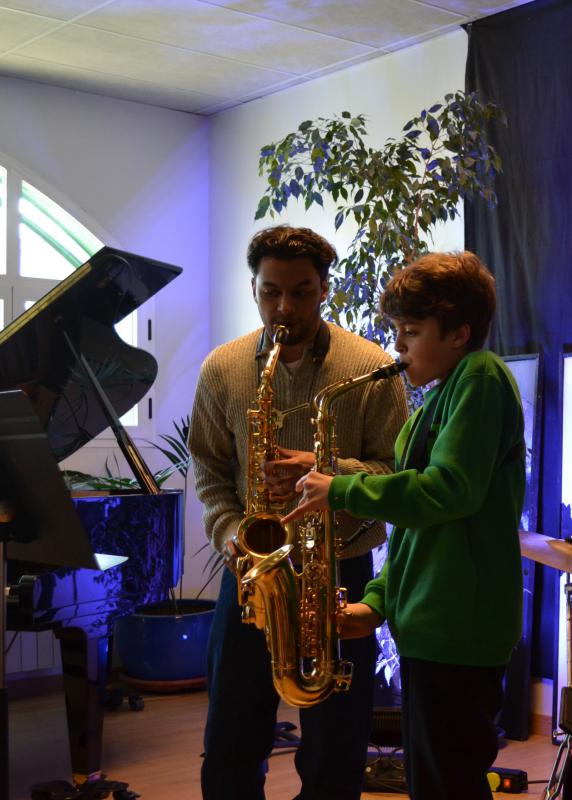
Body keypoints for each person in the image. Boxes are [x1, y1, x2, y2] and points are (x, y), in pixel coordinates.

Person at [284, 250, 526, 800]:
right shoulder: (435, 403)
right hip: (431, 627)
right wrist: (377, 602)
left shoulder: (481, 377)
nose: (398, 345)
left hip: (459, 629)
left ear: (460, 333)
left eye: (411, 331)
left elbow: (448, 491)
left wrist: (340, 488)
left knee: (450, 785)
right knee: (433, 785)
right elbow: (415, 531)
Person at [189, 225, 408, 800]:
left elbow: (398, 476)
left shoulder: (369, 367)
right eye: (270, 291)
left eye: (302, 292)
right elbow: (208, 471)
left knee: (336, 745)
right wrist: (234, 534)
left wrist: (327, 469)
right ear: (253, 289)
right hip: (251, 572)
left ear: (325, 289)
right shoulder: (222, 368)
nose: (284, 307)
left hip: (339, 569)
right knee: (231, 737)